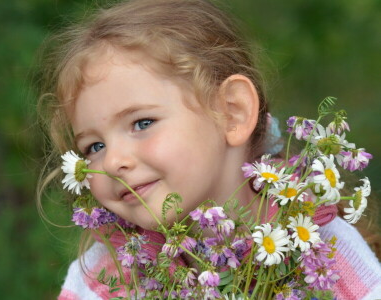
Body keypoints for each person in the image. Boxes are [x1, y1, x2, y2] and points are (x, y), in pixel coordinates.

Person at [36, 0, 381, 299]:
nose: (112, 162)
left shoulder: (321, 251)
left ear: (231, 113)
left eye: (141, 123)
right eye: (94, 146)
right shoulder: (112, 269)